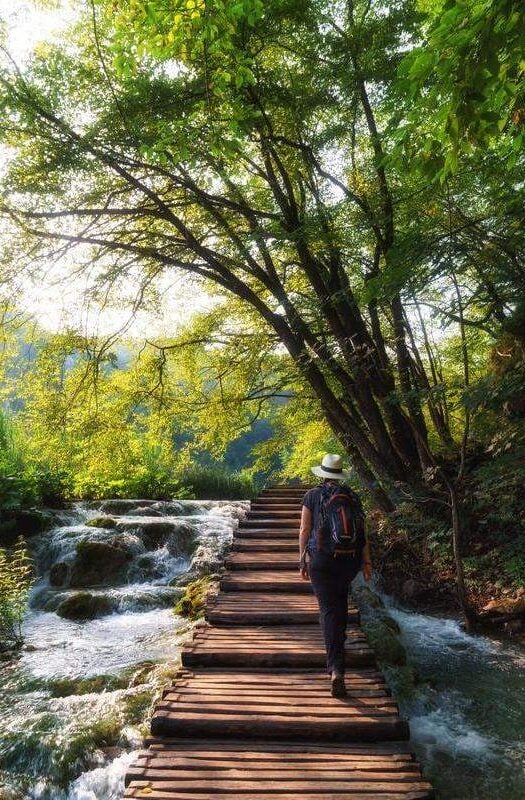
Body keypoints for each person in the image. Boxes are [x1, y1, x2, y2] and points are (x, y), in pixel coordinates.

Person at [299, 453, 372, 698]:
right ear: (340, 474)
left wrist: (301, 558)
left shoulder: (312, 495)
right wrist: (366, 561)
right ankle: (338, 649)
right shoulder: (352, 496)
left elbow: (304, 529)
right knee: (339, 605)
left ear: (322, 474)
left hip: (321, 561)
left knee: (329, 610)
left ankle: (336, 670)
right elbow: (362, 532)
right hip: (349, 561)